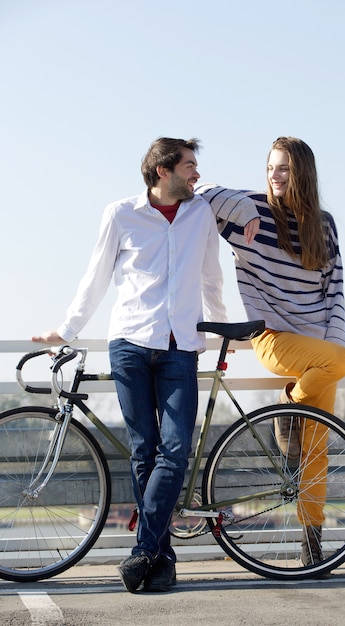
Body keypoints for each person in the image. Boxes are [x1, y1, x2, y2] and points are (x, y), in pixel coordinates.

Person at [32, 137, 259, 593]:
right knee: (144, 451)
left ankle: (143, 551)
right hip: (131, 343)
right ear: (163, 171)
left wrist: (217, 329)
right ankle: (163, 560)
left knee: (174, 451)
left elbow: (210, 274)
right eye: (190, 166)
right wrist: (68, 330)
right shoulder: (120, 213)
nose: (197, 173)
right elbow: (95, 276)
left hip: (180, 346)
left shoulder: (200, 213)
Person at [197, 136, 345, 567]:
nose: (274, 175)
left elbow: (335, 293)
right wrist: (245, 209)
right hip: (273, 338)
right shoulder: (253, 210)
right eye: (270, 167)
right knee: (341, 364)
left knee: (317, 445)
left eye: (283, 168)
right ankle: (289, 408)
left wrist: (333, 339)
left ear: (302, 172)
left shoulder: (325, 225)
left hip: (318, 347)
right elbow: (200, 191)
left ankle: (312, 543)